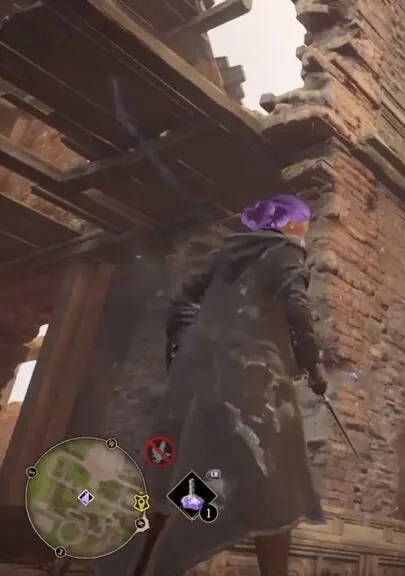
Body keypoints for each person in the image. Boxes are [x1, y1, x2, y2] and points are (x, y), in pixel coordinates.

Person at [102, 195, 329, 576]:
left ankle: (141, 568)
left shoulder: (224, 254)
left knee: (174, 475)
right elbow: (297, 307)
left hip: (196, 382)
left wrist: (185, 353)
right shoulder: (286, 253)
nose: (304, 230)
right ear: (290, 223)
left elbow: (181, 302)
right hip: (254, 381)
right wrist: (313, 366)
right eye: (303, 222)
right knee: (275, 484)